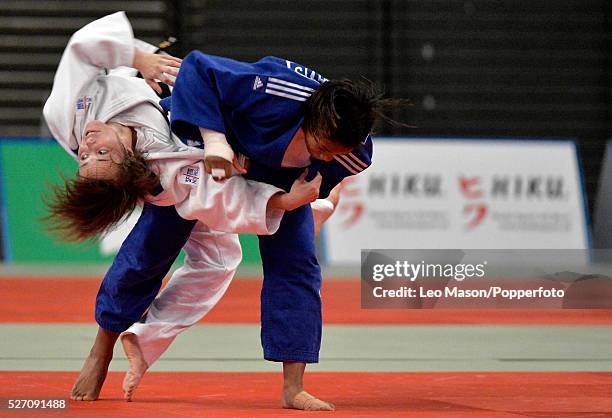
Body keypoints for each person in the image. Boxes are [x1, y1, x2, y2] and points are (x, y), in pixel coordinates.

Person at [40, 11, 326, 404]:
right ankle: (101, 346)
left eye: (87, 155)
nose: (87, 145)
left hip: (161, 95)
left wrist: (137, 57)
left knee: (220, 260)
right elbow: (211, 195)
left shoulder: (68, 117)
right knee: (148, 257)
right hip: (180, 161)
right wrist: (279, 200)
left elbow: (83, 47)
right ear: (128, 158)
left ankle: (143, 341)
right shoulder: (160, 166)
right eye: (99, 153)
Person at [117, 49, 400, 410]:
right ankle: (106, 341)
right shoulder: (275, 90)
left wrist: (302, 199)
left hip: (276, 180)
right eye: (324, 147)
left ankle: (293, 388)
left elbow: (323, 178)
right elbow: (197, 68)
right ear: (316, 119)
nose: (328, 156)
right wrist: (216, 141)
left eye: (335, 153)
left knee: (297, 267)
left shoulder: (353, 152)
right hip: (209, 153)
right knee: (153, 244)